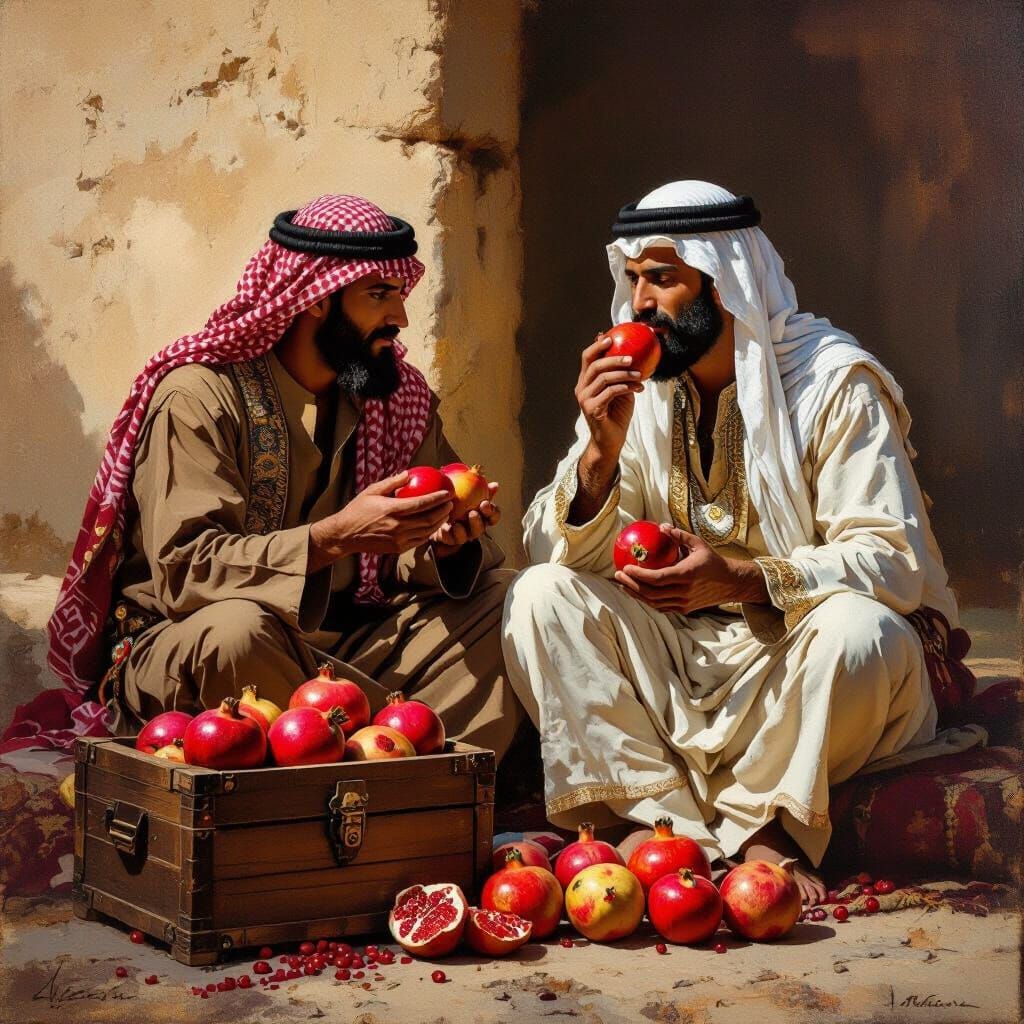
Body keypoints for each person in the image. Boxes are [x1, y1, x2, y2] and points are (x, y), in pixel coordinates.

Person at [502, 180, 978, 904]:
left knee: (862, 632)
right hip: (679, 649)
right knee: (538, 597)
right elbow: (562, 555)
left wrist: (738, 579)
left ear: (722, 284)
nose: (639, 304)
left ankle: (772, 832)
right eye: (634, 279)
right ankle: (651, 825)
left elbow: (893, 560)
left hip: (798, 656)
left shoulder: (832, 384)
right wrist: (600, 453)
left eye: (663, 278)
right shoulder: (640, 390)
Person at [46, 194, 522, 762]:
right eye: (379, 296)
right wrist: (333, 538)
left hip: (353, 650)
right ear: (317, 299)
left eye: (399, 295)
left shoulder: (398, 397)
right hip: (216, 649)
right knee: (234, 632)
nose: (400, 318)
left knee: (508, 598)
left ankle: (391, 768)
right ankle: (399, 754)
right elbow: (185, 570)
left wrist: (445, 547)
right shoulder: (201, 397)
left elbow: (402, 563)